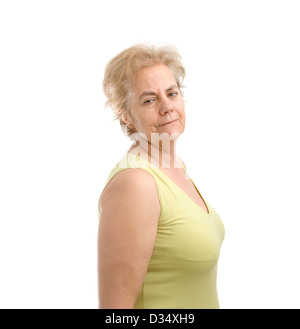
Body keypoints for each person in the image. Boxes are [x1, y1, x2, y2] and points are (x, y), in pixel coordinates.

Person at [97, 44, 225, 309]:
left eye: (172, 93)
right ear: (125, 115)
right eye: (149, 100)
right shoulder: (136, 183)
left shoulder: (175, 167)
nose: (167, 107)